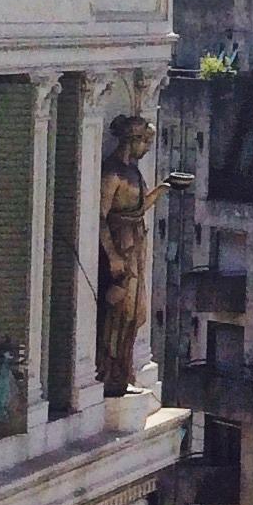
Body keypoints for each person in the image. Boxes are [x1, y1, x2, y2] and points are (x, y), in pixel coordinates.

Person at [97, 113, 168, 396]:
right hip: (121, 245)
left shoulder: (134, 172)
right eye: (146, 141)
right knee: (121, 309)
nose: (149, 147)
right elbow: (102, 216)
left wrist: (162, 190)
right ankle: (110, 371)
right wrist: (113, 255)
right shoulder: (112, 173)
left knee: (137, 313)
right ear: (132, 140)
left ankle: (124, 369)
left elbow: (137, 209)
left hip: (135, 243)